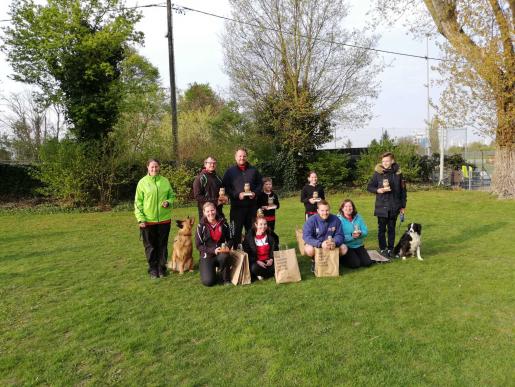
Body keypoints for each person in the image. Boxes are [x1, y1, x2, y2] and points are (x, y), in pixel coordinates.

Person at [134, 159, 175, 279]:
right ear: (147, 167)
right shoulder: (142, 182)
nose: (154, 169)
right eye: (152, 167)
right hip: (148, 220)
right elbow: (138, 202)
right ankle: (152, 269)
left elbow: (172, 196)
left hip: (164, 219)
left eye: (156, 167)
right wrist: (141, 219)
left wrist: (168, 202)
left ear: (159, 167)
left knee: (162, 245)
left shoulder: (165, 181)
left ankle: (162, 268)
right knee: (150, 246)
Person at [367, 152, 407, 258]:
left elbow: (403, 191)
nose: (385, 163)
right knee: (381, 230)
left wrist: (403, 206)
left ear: (392, 161)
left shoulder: (399, 173)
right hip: (381, 206)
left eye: (387, 161)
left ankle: (390, 249)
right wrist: (378, 190)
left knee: (391, 229)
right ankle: (383, 249)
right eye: (383, 161)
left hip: (394, 206)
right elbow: (369, 187)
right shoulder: (377, 173)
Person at [222, 147, 263, 246]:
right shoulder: (230, 172)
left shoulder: (254, 170)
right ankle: (236, 256)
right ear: (235, 157)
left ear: (247, 157)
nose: (242, 158)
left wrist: (255, 193)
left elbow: (260, 184)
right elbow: (226, 187)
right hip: (237, 208)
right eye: (240, 156)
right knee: (235, 233)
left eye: (244, 156)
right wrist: (236, 195)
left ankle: (251, 256)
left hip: (252, 207)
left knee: (252, 232)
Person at [302, 200, 347, 272]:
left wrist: (334, 242)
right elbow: (306, 236)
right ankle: (314, 261)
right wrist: (320, 244)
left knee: (344, 248)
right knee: (309, 250)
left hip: (331, 244)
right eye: (322, 210)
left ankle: (335, 261)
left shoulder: (335, 219)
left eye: (327, 210)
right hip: (317, 244)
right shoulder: (311, 220)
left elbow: (340, 235)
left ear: (329, 210)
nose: (325, 213)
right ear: (318, 210)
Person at [195, 202, 233, 286]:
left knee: (225, 256)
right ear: (204, 212)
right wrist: (212, 250)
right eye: (207, 211)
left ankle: (226, 279)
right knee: (208, 282)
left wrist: (228, 247)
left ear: (215, 210)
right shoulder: (200, 226)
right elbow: (198, 245)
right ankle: (210, 271)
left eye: (212, 210)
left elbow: (230, 239)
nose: (210, 213)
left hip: (220, 254)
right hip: (207, 255)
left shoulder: (223, 223)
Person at [337, 199, 373, 268]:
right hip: (347, 246)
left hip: (359, 245)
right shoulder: (338, 220)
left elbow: (365, 231)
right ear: (342, 208)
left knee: (368, 263)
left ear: (353, 208)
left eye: (350, 206)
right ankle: (340, 259)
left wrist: (361, 233)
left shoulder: (358, 217)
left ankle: (357, 257)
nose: (348, 208)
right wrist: (351, 236)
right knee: (355, 265)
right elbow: (339, 237)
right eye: (346, 206)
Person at [243, 214, 279, 281]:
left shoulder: (271, 235)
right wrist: (257, 261)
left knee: (278, 265)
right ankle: (268, 274)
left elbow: (275, 248)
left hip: (269, 261)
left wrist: (271, 259)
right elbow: (248, 252)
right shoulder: (249, 237)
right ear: (256, 225)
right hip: (257, 262)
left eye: (265, 224)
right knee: (254, 268)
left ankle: (263, 274)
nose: (263, 226)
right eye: (261, 224)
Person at [192, 156, 227, 221]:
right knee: (207, 231)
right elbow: (197, 196)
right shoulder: (200, 178)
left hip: (218, 211)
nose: (212, 165)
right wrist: (216, 201)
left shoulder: (218, 177)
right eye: (210, 163)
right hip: (207, 213)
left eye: (214, 163)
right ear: (205, 164)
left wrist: (225, 198)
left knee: (221, 230)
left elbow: (223, 191)